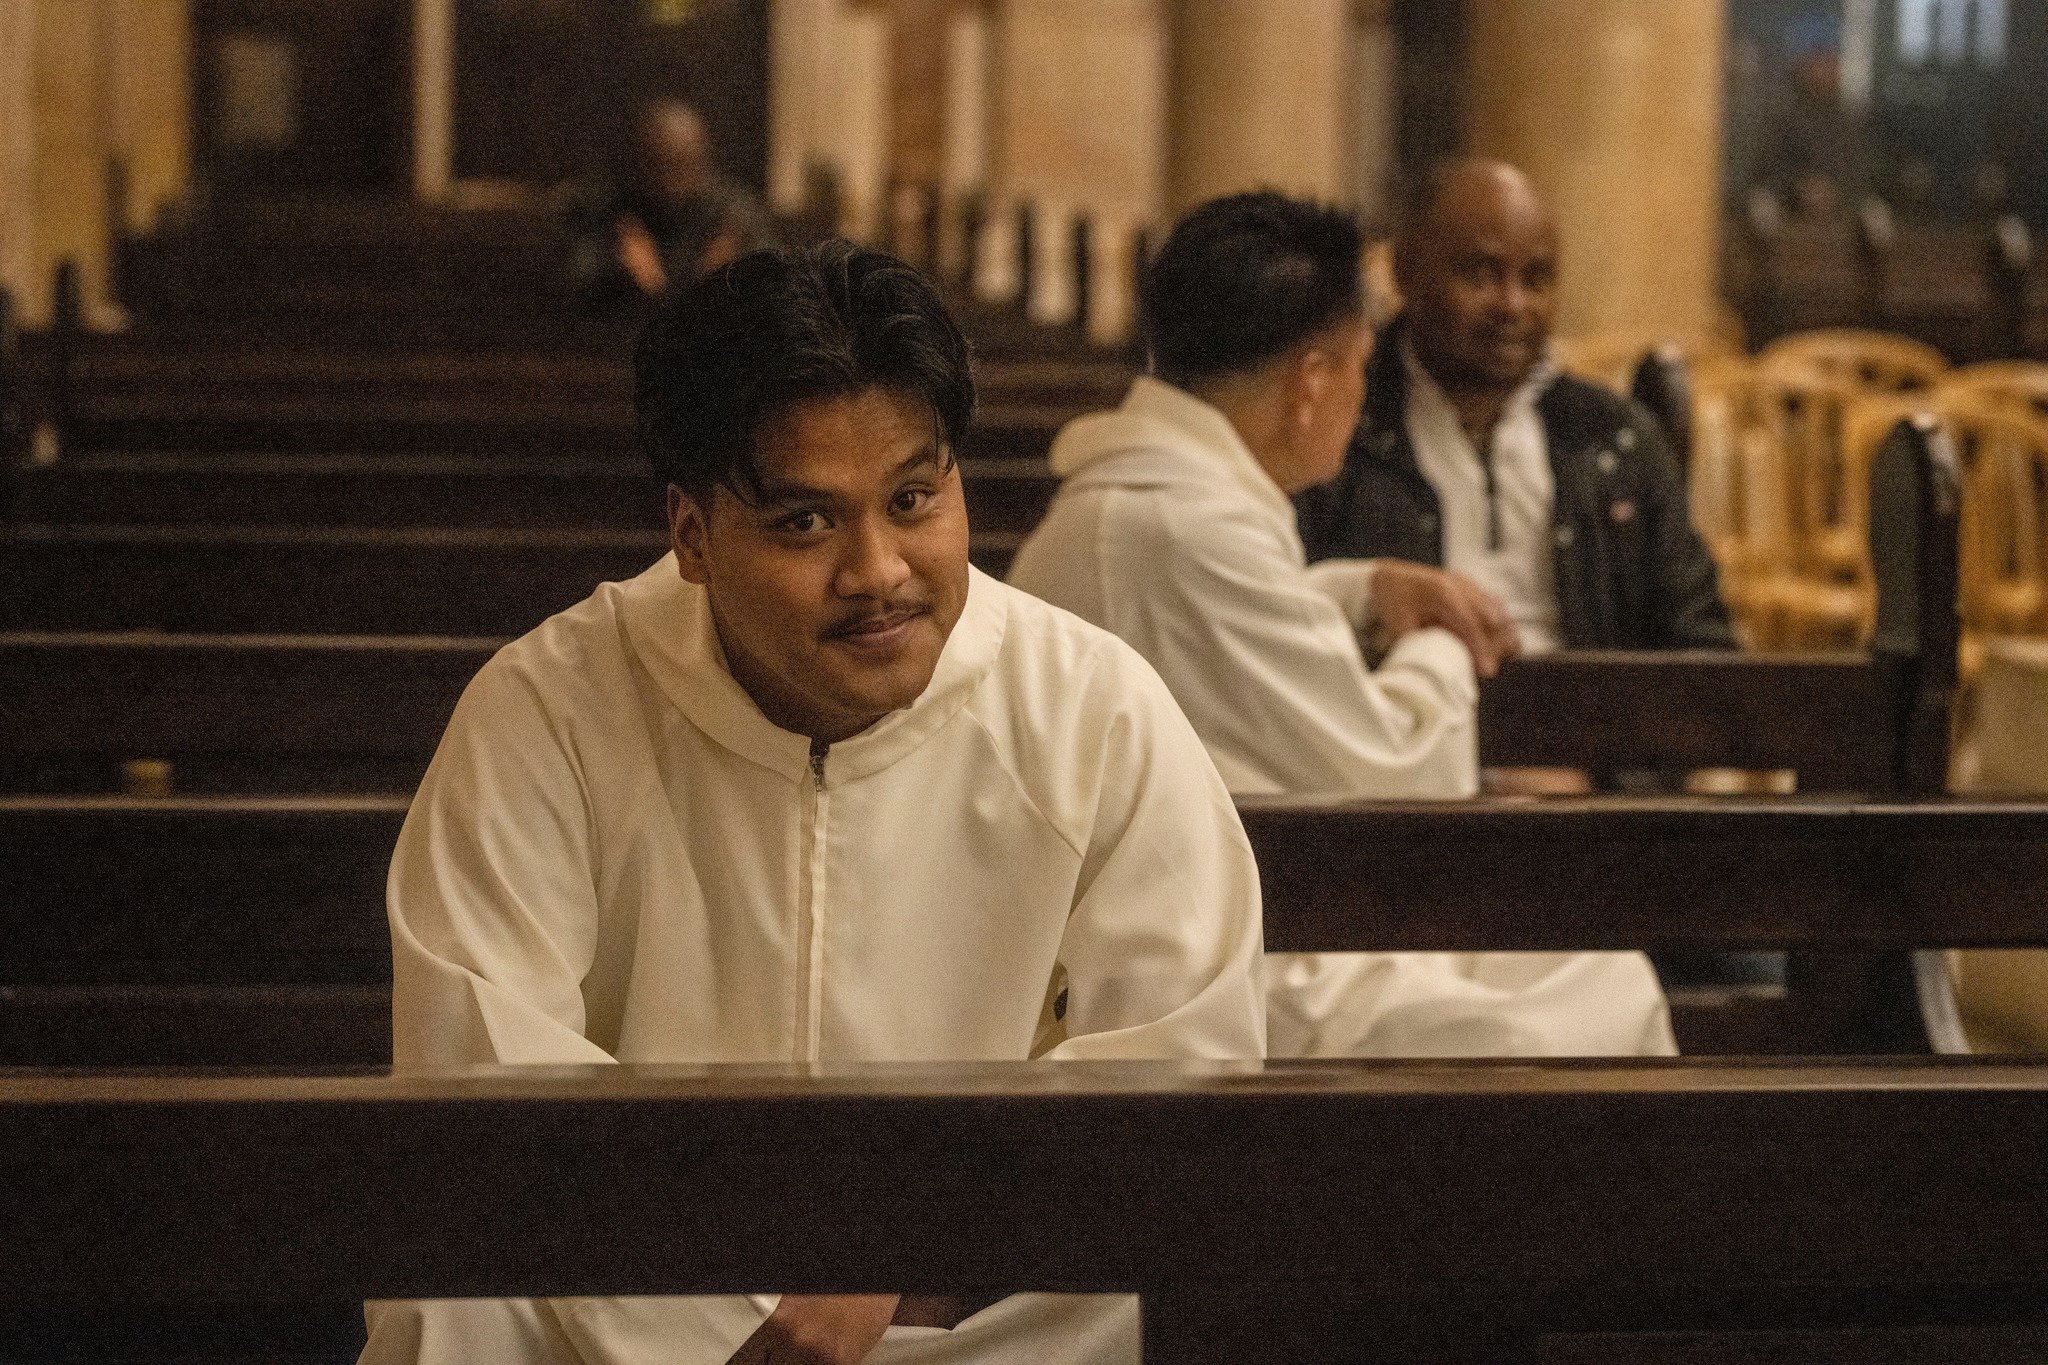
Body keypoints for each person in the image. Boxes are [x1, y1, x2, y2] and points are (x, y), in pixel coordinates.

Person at [361, 243, 1265, 1365]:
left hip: (973, 1309)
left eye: (913, 500)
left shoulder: (1092, 712)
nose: (877, 569)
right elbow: (485, 1083)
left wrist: (904, 1245)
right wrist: (746, 1297)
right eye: (804, 523)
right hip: (632, 1310)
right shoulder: (547, 713)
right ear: (691, 535)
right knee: (461, 1296)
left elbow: (1181, 1066)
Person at [1008, 191, 1673, 1058]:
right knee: (1592, 994)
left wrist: (1364, 589)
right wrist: (1440, 642)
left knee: (1590, 965)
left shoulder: (1157, 505)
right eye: (1362, 365)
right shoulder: (1185, 526)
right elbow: (1394, 774)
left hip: (1239, 906)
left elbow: (1221, 636)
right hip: (1208, 963)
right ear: (1316, 382)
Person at [1296, 160, 1734, 653]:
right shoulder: (1338, 424)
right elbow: (1284, 616)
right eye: (1482, 275)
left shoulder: (1613, 438)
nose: (1513, 305)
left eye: (1536, 279)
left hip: (1591, 722)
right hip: (1398, 719)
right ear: (1406, 271)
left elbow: (1702, 644)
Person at [568, 99, 774, 316]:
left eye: (682, 167)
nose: (668, 185)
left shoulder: (733, 214)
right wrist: (618, 270)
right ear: (635, 162)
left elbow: (777, 287)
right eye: (656, 166)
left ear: (704, 163)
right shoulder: (610, 208)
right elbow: (575, 282)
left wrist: (733, 276)